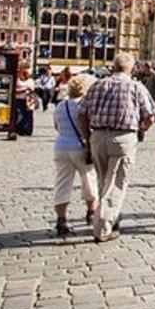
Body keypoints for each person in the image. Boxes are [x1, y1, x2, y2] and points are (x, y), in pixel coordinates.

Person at [78, 52, 155, 242]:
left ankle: (112, 217)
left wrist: (88, 138)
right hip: (122, 137)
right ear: (131, 68)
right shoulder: (136, 87)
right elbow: (150, 117)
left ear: (113, 67)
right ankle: (103, 227)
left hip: (97, 136)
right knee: (117, 183)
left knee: (103, 180)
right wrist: (140, 130)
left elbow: (81, 114)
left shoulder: (97, 85)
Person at [52, 75, 98, 236]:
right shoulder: (85, 106)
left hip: (61, 147)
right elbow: (90, 126)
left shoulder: (60, 106)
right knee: (88, 179)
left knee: (62, 182)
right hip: (81, 147)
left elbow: (57, 127)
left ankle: (61, 218)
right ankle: (91, 212)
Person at [13, 66, 37, 136]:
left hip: (28, 100)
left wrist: (26, 89)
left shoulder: (30, 81)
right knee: (19, 115)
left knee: (28, 115)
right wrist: (24, 89)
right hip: (18, 99)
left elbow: (32, 89)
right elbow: (15, 89)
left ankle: (27, 130)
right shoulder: (18, 80)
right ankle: (19, 129)